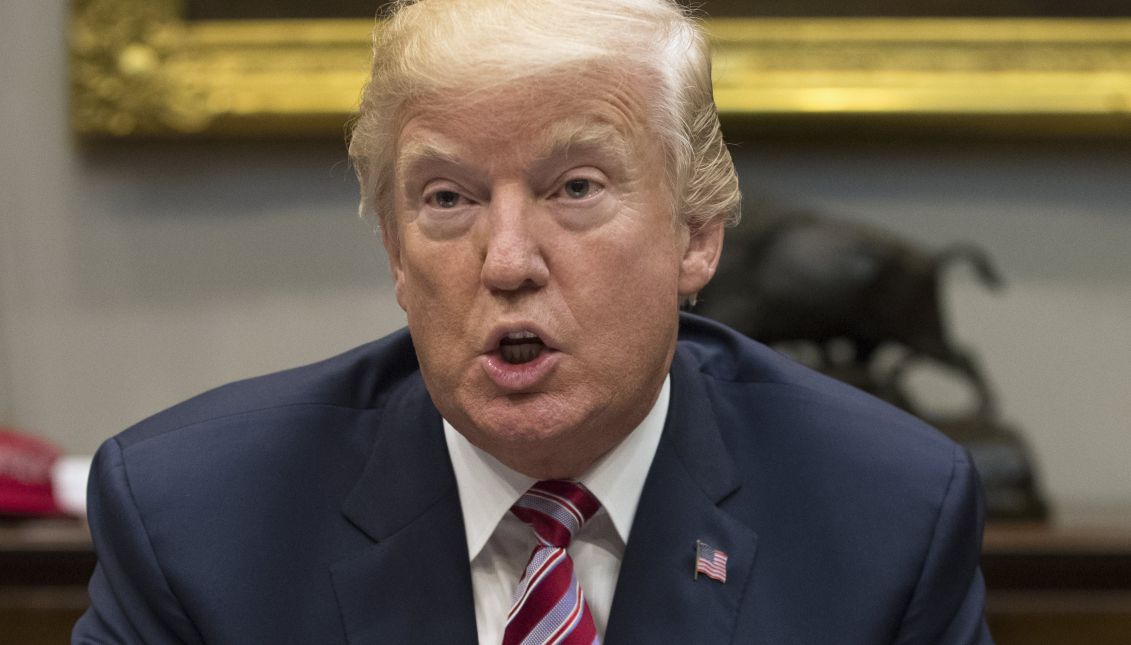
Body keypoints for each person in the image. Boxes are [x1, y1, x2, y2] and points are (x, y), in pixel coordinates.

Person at [74, 0, 993, 643]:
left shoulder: (884, 516)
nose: (507, 260)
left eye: (576, 187)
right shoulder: (195, 522)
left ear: (696, 235)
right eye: (447, 197)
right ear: (397, 250)